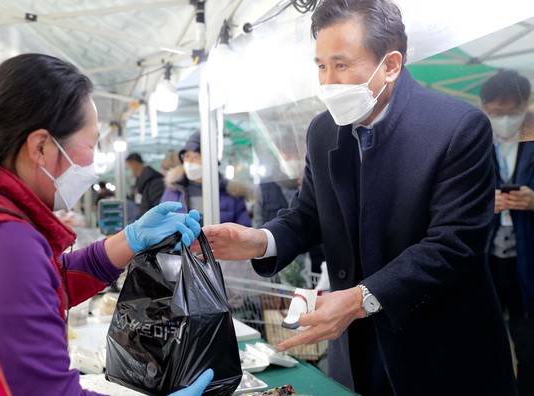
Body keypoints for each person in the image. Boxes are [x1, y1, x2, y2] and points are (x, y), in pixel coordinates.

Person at [194, 1, 517, 395]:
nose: (328, 81)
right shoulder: (324, 130)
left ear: (391, 65)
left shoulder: (457, 128)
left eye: (342, 64)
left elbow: (454, 243)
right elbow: (310, 213)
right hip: (354, 343)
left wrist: (361, 299)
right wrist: (261, 240)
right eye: (320, 65)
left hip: (437, 343)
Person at [0, 53, 210, 396]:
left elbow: (47, 280)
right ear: (40, 146)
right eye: (91, 146)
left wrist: (132, 238)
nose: (93, 163)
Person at [480, 70, 534, 395]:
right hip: (488, 261)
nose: (503, 120)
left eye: (511, 111)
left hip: (528, 262)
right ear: (484, 107)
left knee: (528, 344)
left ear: (525, 105)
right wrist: (486, 204)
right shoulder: (476, 140)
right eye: (495, 113)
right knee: (486, 339)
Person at [161, 131, 252, 226]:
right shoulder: (173, 191)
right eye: (187, 156)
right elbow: (162, 225)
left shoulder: (231, 194)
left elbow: (244, 229)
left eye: (195, 157)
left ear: (210, 160)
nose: (189, 162)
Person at [125, 152, 165, 217]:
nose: (128, 170)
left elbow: (157, 206)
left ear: (134, 163)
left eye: (128, 167)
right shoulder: (139, 182)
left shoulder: (154, 181)